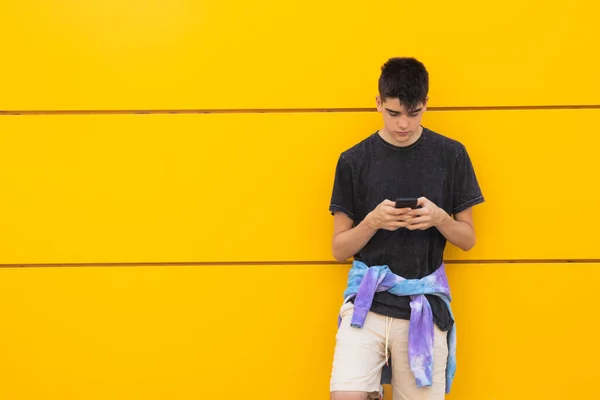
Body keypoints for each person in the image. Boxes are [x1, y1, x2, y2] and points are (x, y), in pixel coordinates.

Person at [328, 57, 485, 400]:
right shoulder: (354, 160)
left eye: (413, 114)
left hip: (423, 307)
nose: (403, 124)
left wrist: (440, 219)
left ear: (426, 104)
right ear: (378, 103)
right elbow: (339, 249)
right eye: (394, 113)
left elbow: (469, 239)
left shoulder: (452, 155)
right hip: (366, 304)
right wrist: (372, 222)